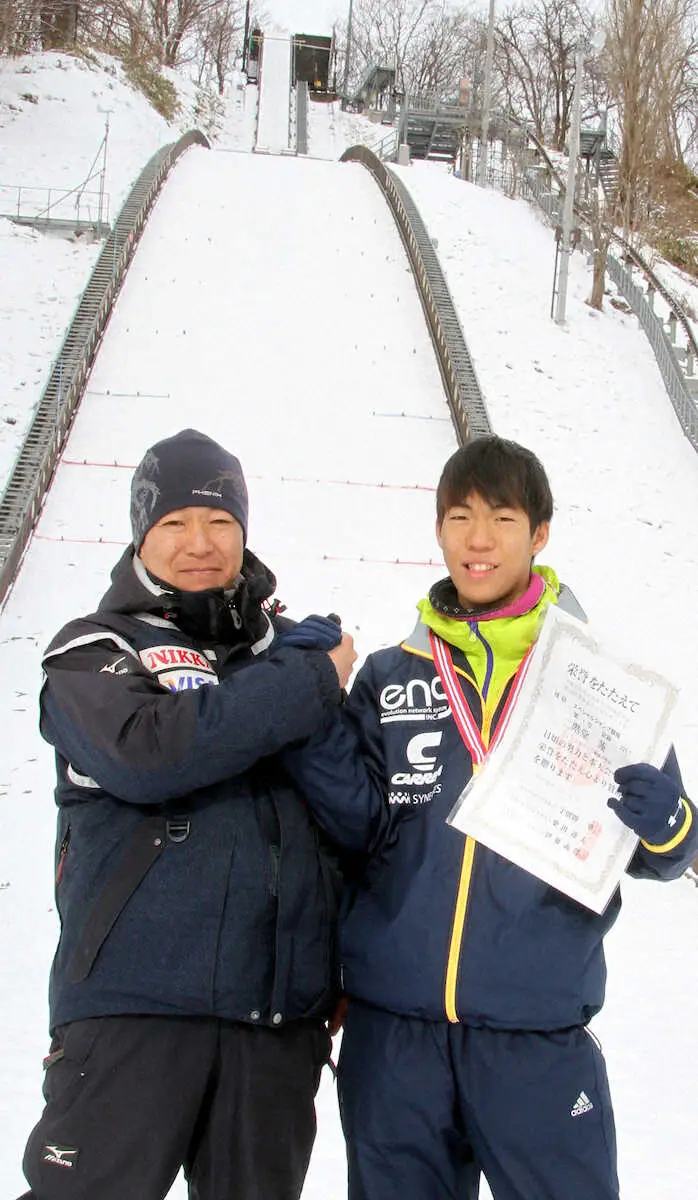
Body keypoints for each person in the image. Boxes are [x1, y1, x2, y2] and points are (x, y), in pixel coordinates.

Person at [286, 435, 698, 1200]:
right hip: (394, 1035)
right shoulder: (392, 675)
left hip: (533, 1037)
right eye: (459, 516)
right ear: (438, 529)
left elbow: (666, 851)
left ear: (539, 534)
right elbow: (355, 825)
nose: (478, 539)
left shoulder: (595, 679)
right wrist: (309, 703)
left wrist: (672, 821)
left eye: (502, 518)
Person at [18, 428, 357, 1200]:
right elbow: (149, 752)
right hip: (134, 1012)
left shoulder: (287, 654)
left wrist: (336, 966)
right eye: (174, 523)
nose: (199, 543)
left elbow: (345, 823)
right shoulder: (94, 650)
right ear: (142, 534)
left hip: (273, 1025)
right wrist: (307, 683)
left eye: (220, 523)